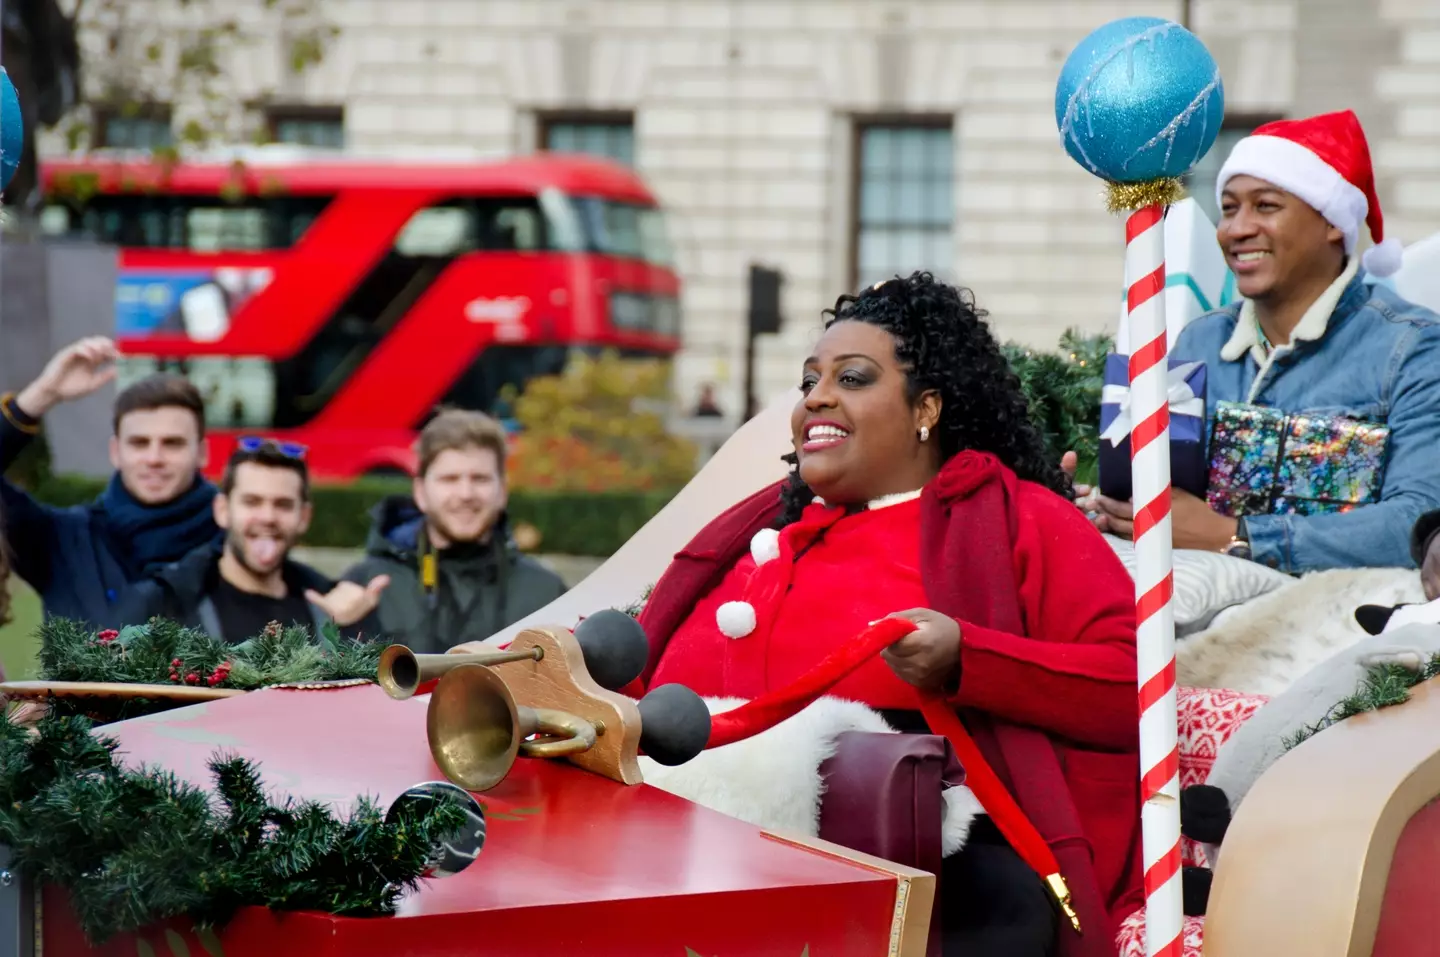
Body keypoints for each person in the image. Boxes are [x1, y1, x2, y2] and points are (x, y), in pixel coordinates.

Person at [630, 273, 1141, 957]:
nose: (817, 396)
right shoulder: (756, 526)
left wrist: (971, 659)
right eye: (810, 379)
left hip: (921, 864)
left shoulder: (1018, 517)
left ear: (926, 406)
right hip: (673, 844)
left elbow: (1135, 688)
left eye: (853, 377)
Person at [1081, 110, 1440, 574]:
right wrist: (1105, 504)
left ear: (1332, 222)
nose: (1235, 229)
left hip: (1339, 628)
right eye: (1228, 208)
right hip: (1194, 619)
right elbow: (1164, 496)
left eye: (1265, 206)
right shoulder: (1200, 341)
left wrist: (1237, 537)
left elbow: (1419, 525)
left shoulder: (1412, 349)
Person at [0, 338, 220, 627]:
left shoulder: (235, 541)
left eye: (173, 443)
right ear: (116, 452)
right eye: (139, 443)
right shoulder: (63, 541)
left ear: (202, 452)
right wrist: (41, 395)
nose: (154, 458)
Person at [340, 409, 566, 652]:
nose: (465, 494)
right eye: (449, 479)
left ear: (502, 491)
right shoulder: (364, 587)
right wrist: (335, 626)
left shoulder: (547, 593)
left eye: (480, 479)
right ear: (420, 492)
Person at [126, 440, 386, 644]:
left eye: (283, 505)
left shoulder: (327, 606)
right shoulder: (167, 604)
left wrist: (351, 627)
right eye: (252, 502)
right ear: (222, 510)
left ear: (304, 517)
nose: (268, 517)